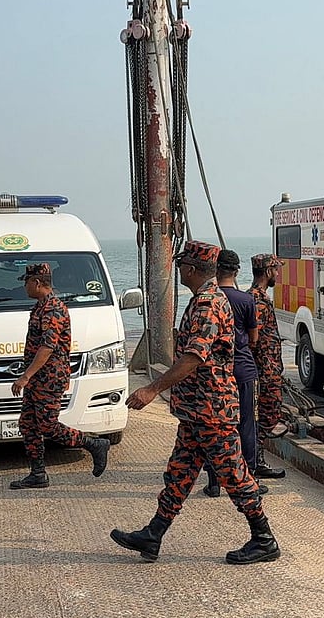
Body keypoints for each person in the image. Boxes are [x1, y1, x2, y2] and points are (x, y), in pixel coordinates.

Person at [113, 241, 279, 565]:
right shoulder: (206, 300)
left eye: (180, 265)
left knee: (234, 474)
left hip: (211, 411)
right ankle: (153, 535)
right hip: (197, 412)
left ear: (190, 269)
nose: (178, 269)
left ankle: (264, 538)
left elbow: (194, 356)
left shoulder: (207, 304)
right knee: (180, 473)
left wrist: (151, 389)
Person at [8, 263, 111, 489]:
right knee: (28, 424)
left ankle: (93, 443)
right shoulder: (40, 307)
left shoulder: (53, 309)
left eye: (26, 282)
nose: (24, 286)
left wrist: (25, 376)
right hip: (38, 379)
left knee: (47, 426)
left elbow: (47, 347)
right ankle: (38, 474)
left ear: (36, 282)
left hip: (49, 378)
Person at [204, 249, 267, 497]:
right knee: (247, 425)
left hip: (216, 373)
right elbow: (254, 338)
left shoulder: (208, 300)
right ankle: (248, 479)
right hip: (243, 369)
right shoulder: (245, 300)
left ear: (215, 271)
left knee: (214, 426)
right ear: (237, 271)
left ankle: (213, 480)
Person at [248, 253, 287, 479]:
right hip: (264, 370)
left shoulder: (258, 298)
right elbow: (253, 339)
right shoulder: (257, 301)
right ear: (268, 272)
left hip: (267, 367)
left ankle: (256, 459)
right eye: (276, 270)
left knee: (265, 414)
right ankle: (253, 460)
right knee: (269, 413)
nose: (278, 274)